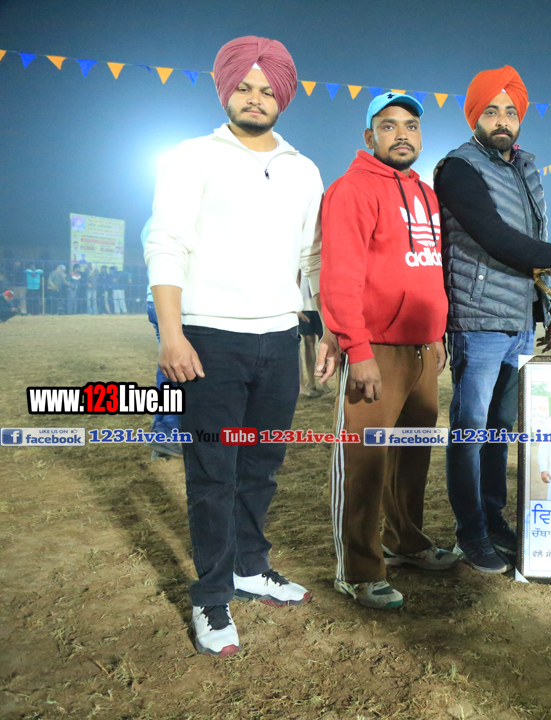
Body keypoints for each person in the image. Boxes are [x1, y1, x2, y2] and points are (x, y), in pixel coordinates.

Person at [144, 36, 335, 655]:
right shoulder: (192, 156)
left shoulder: (304, 168)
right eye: (245, 88)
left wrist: (325, 331)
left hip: (278, 338)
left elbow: (312, 257)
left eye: (267, 89)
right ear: (226, 90)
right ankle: (211, 595)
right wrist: (173, 334)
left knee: (261, 466)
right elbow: (166, 241)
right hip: (208, 337)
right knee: (212, 472)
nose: (256, 98)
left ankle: (251, 567)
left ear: (284, 96)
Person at [435, 65, 551, 573]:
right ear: (475, 116)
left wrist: (547, 308)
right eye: (491, 111)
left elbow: (529, 245)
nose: (502, 120)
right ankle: (470, 531)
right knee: (470, 430)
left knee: (499, 428)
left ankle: (493, 519)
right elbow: (496, 238)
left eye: (511, 111)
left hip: (518, 320)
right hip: (478, 318)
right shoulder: (459, 168)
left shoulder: (525, 168)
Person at [321, 91, 459, 611]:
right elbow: (340, 277)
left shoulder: (425, 193)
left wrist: (436, 333)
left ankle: (406, 542)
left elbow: (429, 269)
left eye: (411, 126)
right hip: (374, 349)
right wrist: (356, 349)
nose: (402, 134)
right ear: (369, 136)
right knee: (365, 462)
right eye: (388, 125)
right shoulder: (352, 189)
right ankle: (357, 570)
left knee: (411, 459)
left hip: (422, 349)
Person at [139, 220, 182, 459]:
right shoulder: (180, 218)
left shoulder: (151, 222)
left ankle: (163, 433)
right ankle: (169, 432)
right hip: (177, 300)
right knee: (181, 367)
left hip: (155, 298)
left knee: (168, 365)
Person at [297, 275, 324, 398]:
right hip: (305, 305)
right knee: (308, 342)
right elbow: (296, 277)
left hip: (321, 304)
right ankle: (311, 382)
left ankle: (324, 382)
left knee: (325, 341)